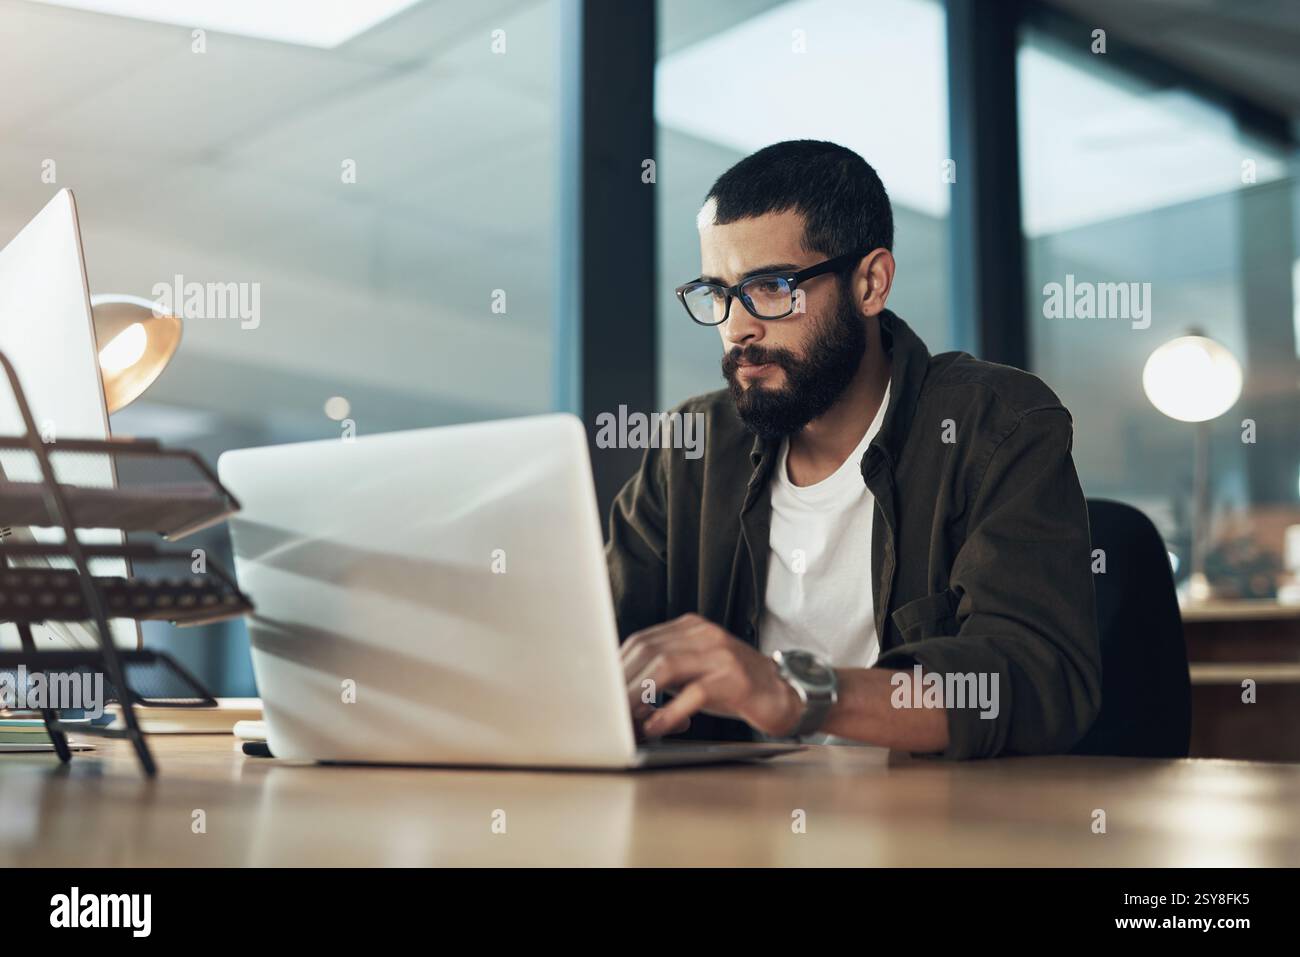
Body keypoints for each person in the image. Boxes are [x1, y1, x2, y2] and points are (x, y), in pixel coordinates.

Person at [607, 140, 1100, 758]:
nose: (736, 326)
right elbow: (594, 639)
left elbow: (1033, 678)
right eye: (718, 293)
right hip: (730, 826)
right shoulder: (690, 451)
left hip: (937, 829)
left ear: (870, 283)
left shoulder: (995, 424)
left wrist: (796, 692)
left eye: (769, 287)